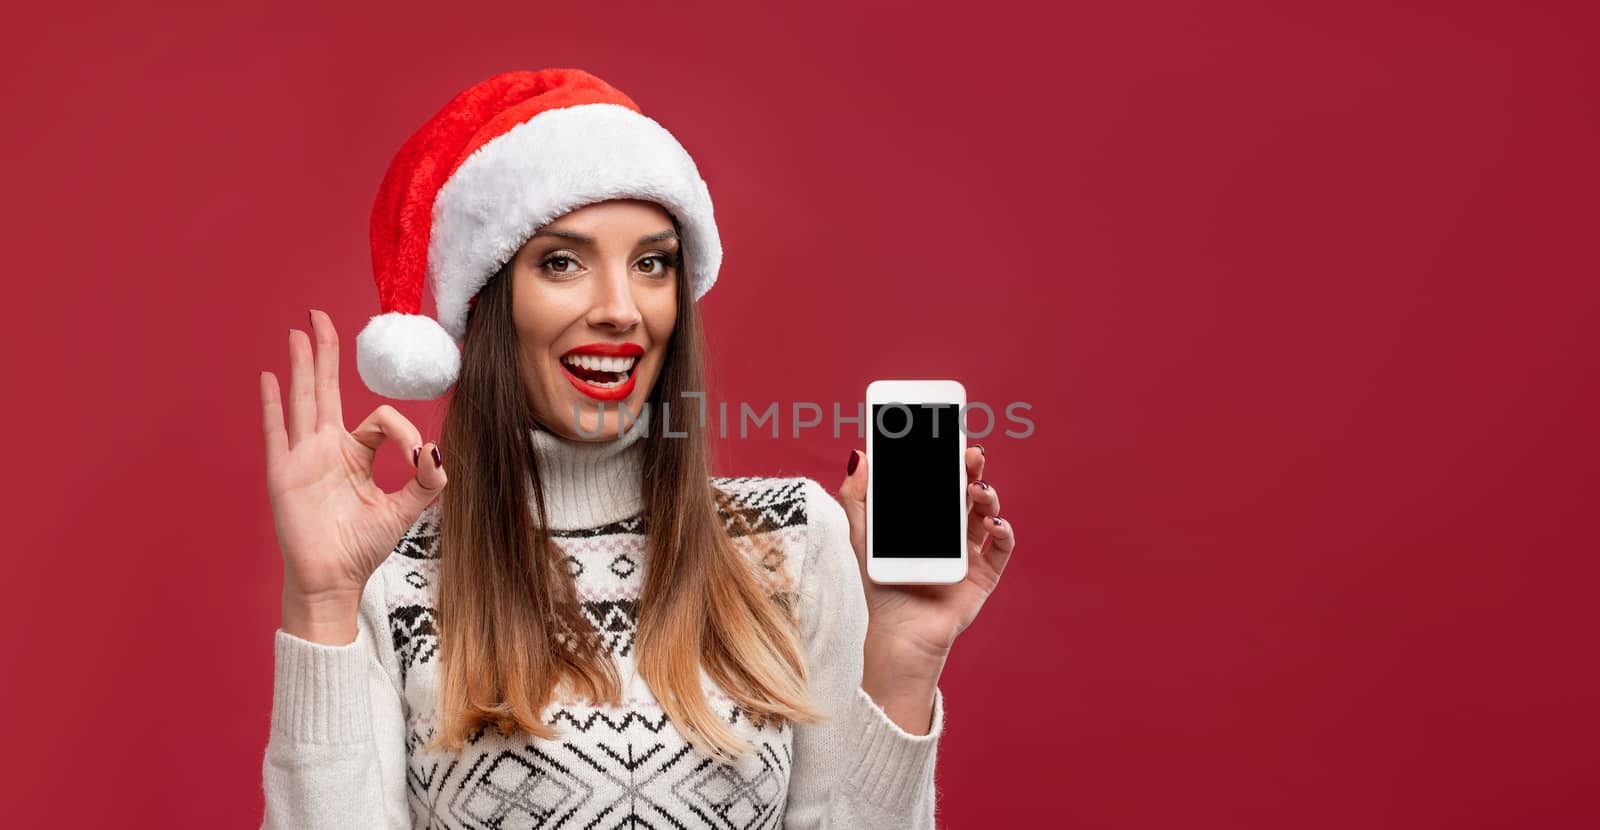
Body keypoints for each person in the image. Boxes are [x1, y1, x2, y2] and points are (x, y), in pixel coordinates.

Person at [257, 68, 1017, 830]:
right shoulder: (391, 577)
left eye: (652, 263)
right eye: (563, 262)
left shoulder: (793, 542)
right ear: (492, 302)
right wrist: (321, 605)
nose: (620, 310)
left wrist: (903, 669)